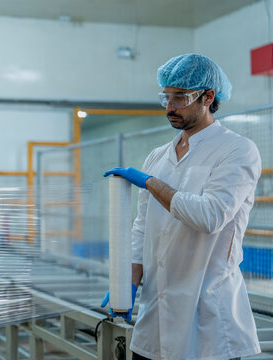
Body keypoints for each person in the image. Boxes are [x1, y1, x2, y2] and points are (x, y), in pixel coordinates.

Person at [101, 53, 262, 360]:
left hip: (209, 319)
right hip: (155, 318)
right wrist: (128, 282)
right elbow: (142, 225)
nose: (170, 107)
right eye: (166, 98)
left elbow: (210, 216)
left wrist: (149, 182)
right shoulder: (158, 155)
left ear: (208, 97)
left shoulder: (237, 150)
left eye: (180, 98)